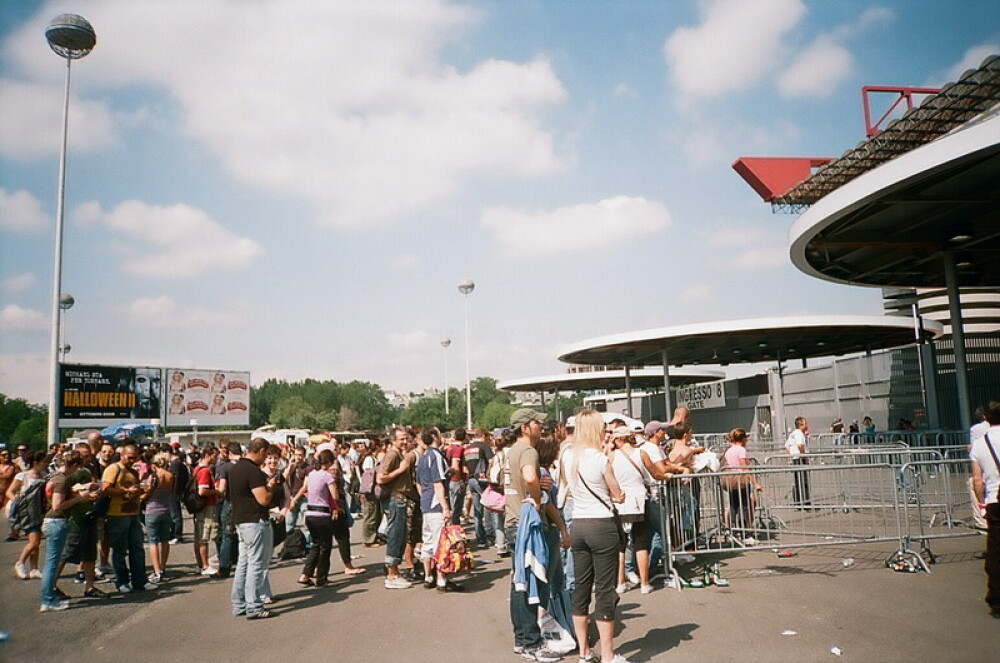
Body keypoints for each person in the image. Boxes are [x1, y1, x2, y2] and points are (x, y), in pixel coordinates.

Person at [561, 409, 630, 663]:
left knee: (581, 587)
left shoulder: (569, 457)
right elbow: (617, 493)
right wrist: (619, 497)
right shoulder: (601, 460)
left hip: (578, 523)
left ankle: (584, 651)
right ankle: (609, 655)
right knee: (604, 590)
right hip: (601, 524)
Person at [504, 407, 563, 663]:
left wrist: (538, 484)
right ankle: (531, 642)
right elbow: (529, 477)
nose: (541, 426)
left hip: (514, 522)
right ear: (525, 427)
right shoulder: (528, 450)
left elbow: (523, 479)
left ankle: (522, 639)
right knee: (530, 584)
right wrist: (538, 498)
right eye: (536, 423)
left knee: (520, 582)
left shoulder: (513, 451)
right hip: (528, 525)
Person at [39, 451, 92, 611]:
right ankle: (47, 600)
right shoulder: (62, 480)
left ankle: (49, 597)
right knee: (51, 564)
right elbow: (57, 505)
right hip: (56, 521)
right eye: (78, 467)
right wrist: (79, 498)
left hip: (50, 521)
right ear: (74, 465)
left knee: (51, 563)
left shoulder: (53, 477)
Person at [230, 437, 275, 619]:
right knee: (256, 564)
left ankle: (238, 603)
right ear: (262, 451)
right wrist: (270, 488)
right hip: (254, 521)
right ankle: (254, 605)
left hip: (240, 520)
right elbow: (263, 499)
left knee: (244, 563)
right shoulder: (253, 471)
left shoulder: (235, 469)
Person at [102, 443, 156, 593]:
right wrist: (126, 491)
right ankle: (122, 581)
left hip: (133, 513)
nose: (132, 461)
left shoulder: (133, 472)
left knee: (137, 549)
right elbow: (105, 489)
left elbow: (135, 490)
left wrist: (142, 491)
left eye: (135, 458)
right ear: (122, 455)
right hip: (117, 514)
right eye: (130, 458)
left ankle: (140, 580)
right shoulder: (113, 469)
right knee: (119, 549)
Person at [416, 428, 462, 591]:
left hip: (426, 503)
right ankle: (441, 579)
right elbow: (437, 483)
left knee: (428, 540)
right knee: (440, 542)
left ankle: (428, 576)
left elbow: (419, 483)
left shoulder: (422, 456)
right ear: (435, 437)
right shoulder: (435, 455)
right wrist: (445, 507)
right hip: (436, 504)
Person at [608, 426, 653, 595]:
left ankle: (620, 583)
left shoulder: (611, 457)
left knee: (621, 545)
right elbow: (652, 474)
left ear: (618, 439)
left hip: (620, 501)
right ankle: (645, 583)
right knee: (641, 543)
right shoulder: (641, 453)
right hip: (639, 500)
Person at [970, 400, 1000, 618]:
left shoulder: (981, 443)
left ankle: (997, 600)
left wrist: (981, 503)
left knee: (996, 551)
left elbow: (977, 480)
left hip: (995, 500)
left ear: (987, 418)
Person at [377, 427, 414, 589]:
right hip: (394, 499)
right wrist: (400, 470)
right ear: (393, 440)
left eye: (406, 439)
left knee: (400, 535)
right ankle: (391, 574)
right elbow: (381, 478)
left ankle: (395, 571)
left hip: (400, 499)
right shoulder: (392, 455)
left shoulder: (400, 454)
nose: (405, 442)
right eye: (401, 439)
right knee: (395, 535)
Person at [8, 451, 49, 579]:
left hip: (40, 511)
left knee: (36, 541)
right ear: (35, 462)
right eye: (44, 461)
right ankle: (20, 562)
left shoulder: (44, 475)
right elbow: (10, 491)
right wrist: (18, 501)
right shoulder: (23, 476)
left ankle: (34, 568)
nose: (46, 464)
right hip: (27, 512)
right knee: (34, 541)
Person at [722, 428, 763, 545]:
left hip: (731, 481)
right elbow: (744, 467)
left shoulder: (729, 450)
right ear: (743, 439)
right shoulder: (741, 450)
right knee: (744, 506)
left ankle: (732, 532)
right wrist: (755, 483)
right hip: (741, 481)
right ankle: (745, 534)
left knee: (733, 506)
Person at [143, 452, 175, 583]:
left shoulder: (154, 476)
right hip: (166, 510)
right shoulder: (170, 476)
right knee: (165, 541)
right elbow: (172, 491)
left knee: (153, 542)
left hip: (152, 510)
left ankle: (156, 571)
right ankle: (162, 567)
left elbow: (147, 492)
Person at [463, 429, 495, 547]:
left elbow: (464, 468)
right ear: (483, 436)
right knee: (489, 506)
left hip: (471, 479)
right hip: (482, 480)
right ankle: (490, 535)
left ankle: (480, 537)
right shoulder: (484, 446)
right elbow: (491, 461)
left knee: (477, 510)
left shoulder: (467, 448)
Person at [193, 446, 221, 576]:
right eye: (215, 456)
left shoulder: (197, 469)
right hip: (206, 506)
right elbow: (202, 491)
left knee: (199, 537)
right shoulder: (204, 471)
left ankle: (200, 564)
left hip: (199, 507)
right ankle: (205, 565)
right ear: (208, 455)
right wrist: (216, 491)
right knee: (204, 536)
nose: (216, 459)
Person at [785, 417, 811, 506]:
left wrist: (792, 454)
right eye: (806, 423)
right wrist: (804, 456)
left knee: (797, 480)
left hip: (795, 458)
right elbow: (800, 446)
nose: (807, 425)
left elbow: (786, 446)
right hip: (800, 459)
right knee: (803, 481)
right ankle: (805, 502)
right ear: (800, 425)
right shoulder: (799, 434)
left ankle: (798, 502)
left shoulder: (792, 434)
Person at [447, 429, 468, 526]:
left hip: (450, 480)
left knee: (453, 507)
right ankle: (455, 531)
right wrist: (460, 481)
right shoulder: (458, 449)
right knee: (456, 509)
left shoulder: (450, 448)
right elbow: (455, 466)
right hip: (456, 480)